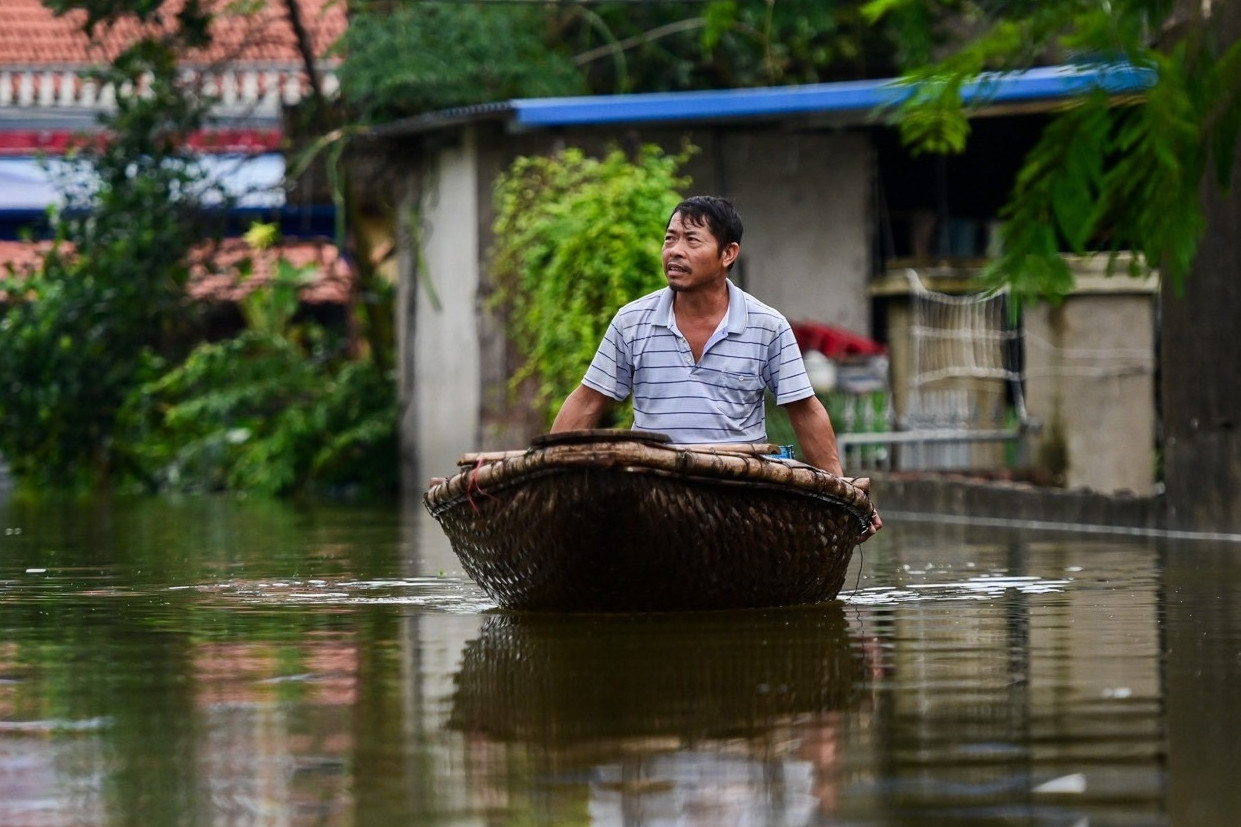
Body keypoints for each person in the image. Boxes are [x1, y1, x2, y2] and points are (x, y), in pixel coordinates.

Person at [551, 195, 882, 540]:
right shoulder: (631, 321)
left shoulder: (767, 326)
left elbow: (805, 411)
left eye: (692, 240)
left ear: (728, 254)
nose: (675, 251)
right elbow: (588, 401)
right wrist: (545, 473)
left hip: (740, 492)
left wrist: (844, 493)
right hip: (654, 489)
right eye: (670, 238)